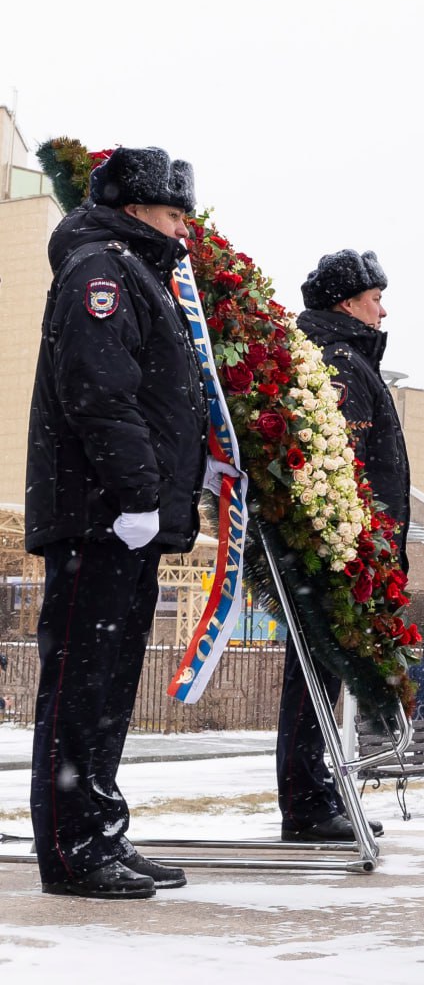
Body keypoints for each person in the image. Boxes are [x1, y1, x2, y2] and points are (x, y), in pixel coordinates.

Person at [26, 146, 217, 899]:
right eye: (175, 214)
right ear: (135, 210)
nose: (184, 229)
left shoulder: (137, 270)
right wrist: (138, 494)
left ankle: (101, 831)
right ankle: (72, 850)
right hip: (98, 516)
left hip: (123, 518)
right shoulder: (101, 271)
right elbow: (100, 392)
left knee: (107, 688)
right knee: (81, 689)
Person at [277, 249, 408, 843]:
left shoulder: (344, 356)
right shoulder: (341, 361)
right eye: (375, 299)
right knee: (314, 675)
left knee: (317, 676)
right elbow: (342, 464)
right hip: (339, 549)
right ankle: (306, 801)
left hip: (343, 545)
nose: (383, 310)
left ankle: (312, 793)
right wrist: (363, 547)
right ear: (348, 304)